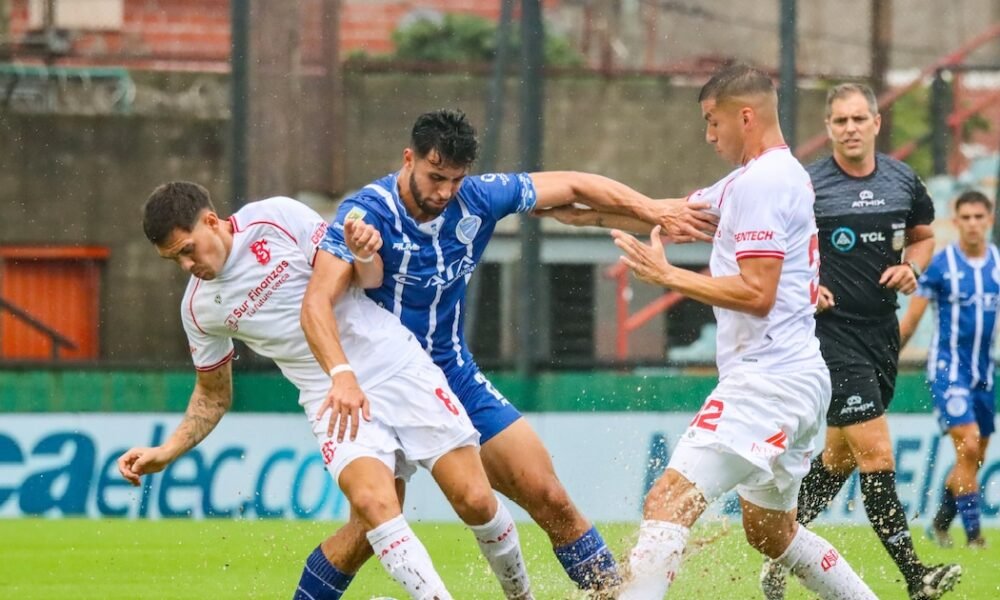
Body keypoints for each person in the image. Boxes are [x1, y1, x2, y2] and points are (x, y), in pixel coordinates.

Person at [302, 108, 717, 596]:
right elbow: (315, 302)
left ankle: (613, 596)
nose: (443, 193)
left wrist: (654, 210)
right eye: (435, 177)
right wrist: (341, 374)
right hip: (380, 385)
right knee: (363, 534)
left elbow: (576, 185)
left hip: (452, 373)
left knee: (549, 496)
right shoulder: (365, 214)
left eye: (455, 180)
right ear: (408, 158)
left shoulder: (476, 198)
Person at [117, 182, 533, 600]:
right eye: (175, 260)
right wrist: (166, 451)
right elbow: (213, 394)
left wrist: (364, 252)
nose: (187, 265)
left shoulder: (276, 217)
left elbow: (353, 274)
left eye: (188, 250)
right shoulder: (199, 309)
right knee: (374, 507)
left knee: (475, 499)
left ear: (211, 221)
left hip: (392, 364)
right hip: (330, 401)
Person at [609, 63, 874, 599]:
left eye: (712, 122)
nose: (708, 136)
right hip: (794, 377)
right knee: (770, 531)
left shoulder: (763, 182)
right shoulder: (756, 179)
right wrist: (551, 200)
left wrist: (668, 275)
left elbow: (758, 293)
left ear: (745, 116)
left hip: (768, 381)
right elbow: (666, 212)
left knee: (669, 500)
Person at [759, 82, 961, 600]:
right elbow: (773, 253)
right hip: (828, 336)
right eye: (840, 121)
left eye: (858, 119)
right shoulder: (808, 186)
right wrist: (807, 285)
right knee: (876, 456)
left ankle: (781, 546)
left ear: (876, 123)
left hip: (881, 334)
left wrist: (911, 269)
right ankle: (918, 579)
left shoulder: (902, 180)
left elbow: (923, 236)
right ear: (828, 128)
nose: (850, 128)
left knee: (840, 459)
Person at [899, 190, 998, 549]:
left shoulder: (998, 264)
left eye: (979, 217)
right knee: (969, 445)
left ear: (990, 221)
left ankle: (940, 522)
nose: (972, 224)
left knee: (974, 455)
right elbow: (910, 320)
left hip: (983, 375)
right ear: (956, 222)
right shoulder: (941, 265)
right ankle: (974, 537)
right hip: (947, 370)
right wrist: (884, 360)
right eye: (966, 217)